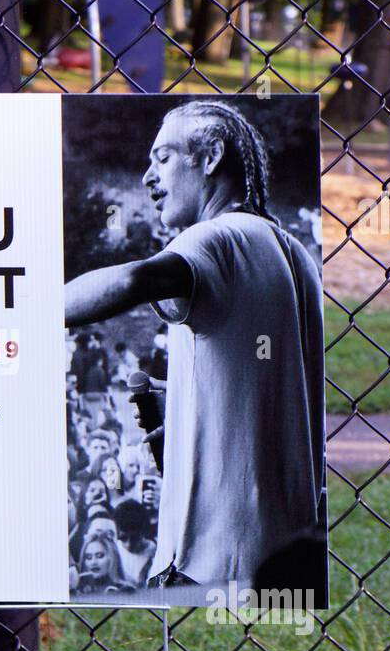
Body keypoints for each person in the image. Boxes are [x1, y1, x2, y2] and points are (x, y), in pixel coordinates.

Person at [64, 100, 324, 598]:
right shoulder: (290, 251)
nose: (147, 177)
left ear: (210, 159)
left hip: (210, 559)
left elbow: (138, 277)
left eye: (162, 158)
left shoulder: (215, 237)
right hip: (284, 552)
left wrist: (21, 311)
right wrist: (187, 406)